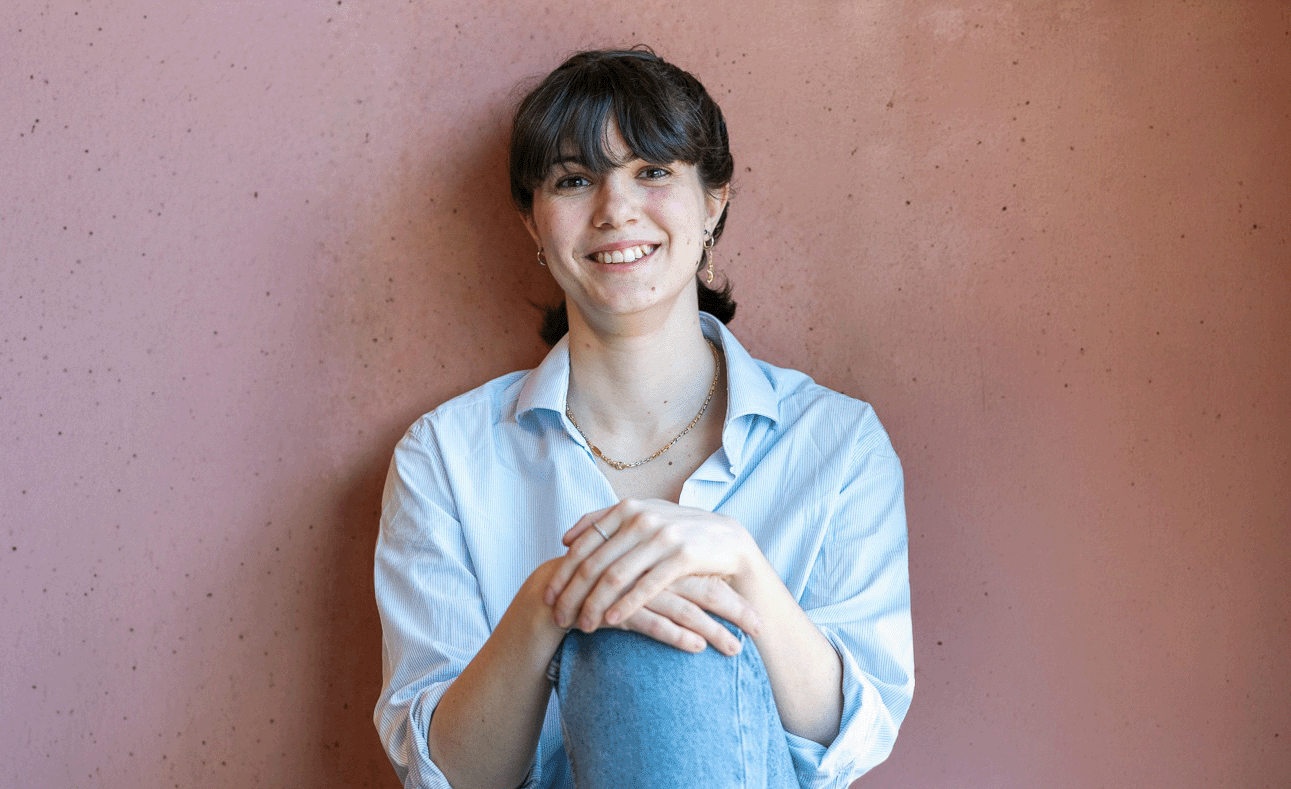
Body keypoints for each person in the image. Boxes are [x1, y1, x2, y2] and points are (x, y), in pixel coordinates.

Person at [374, 48, 913, 789]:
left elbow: (849, 740)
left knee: (664, 634)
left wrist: (741, 568)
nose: (615, 210)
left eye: (652, 171)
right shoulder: (443, 455)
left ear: (713, 202)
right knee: (626, 625)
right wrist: (552, 604)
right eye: (573, 180)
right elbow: (453, 777)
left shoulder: (839, 443)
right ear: (533, 223)